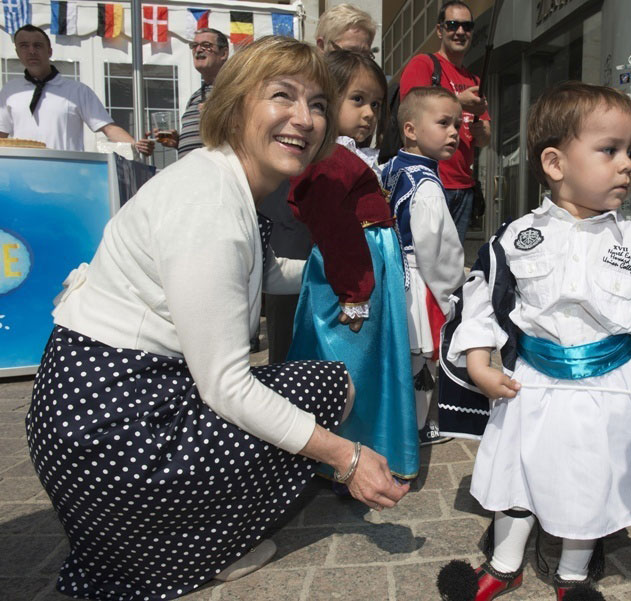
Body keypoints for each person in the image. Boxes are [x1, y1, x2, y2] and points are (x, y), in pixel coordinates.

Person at [24, 37, 408, 600]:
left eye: (319, 104)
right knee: (327, 387)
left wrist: (350, 266)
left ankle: (170, 534)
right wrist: (347, 457)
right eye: (283, 96)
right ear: (234, 106)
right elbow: (227, 386)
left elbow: (262, 269)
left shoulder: (217, 178)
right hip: (112, 440)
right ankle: (195, 550)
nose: (305, 119)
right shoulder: (210, 205)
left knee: (296, 394)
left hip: (87, 424)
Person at [437, 83, 631, 600]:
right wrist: (478, 360)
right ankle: (503, 564)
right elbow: (485, 298)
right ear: (556, 163)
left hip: (606, 387)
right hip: (532, 384)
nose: (627, 165)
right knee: (515, 476)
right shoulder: (517, 237)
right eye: (610, 150)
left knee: (588, 481)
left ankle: (573, 575)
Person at [286, 50, 418, 480]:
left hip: (364, 263)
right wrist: (356, 294)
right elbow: (337, 232)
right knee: (350, 363)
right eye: (356, 100)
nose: (368, 114)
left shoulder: (349, 157)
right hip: (353, 271)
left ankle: (365, 449)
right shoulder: (331, 162)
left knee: (368, 361)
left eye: (376, 104)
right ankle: (345, 455)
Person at [260, 5, 378, 364]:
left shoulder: (360, 106)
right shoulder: (296, 88)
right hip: (295, 228)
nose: (359, 62)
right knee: (291, 330)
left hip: (344, 240)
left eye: (367, 53)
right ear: (323, 45)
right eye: (348, 52)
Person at [381, 87, 467, 445]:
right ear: (411, 129)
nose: (454, 133)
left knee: (402, 353)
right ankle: (416, 428)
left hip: (392, 274)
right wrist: (454, 296)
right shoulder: (428, 185)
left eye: (458, 125)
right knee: (423, 357)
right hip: (419, 279)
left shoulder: (387, 169)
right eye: (444, 123)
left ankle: (398, 420)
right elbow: (440, 253)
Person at [398, 1, 491, 243]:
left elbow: (484, 138)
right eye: (452, 25)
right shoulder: (424, 64)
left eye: (467, 26)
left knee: (450, 264)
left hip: (463, 186)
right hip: (429, 180)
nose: (460, 32)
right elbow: (412, 111)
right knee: (419, 257)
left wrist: (481, 129)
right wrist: (459, 102)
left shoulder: (474, 79)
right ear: (440, 30)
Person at [0, 25, 153, 155]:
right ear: (17, 51)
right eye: (24, 46)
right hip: (23, 173)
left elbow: (108, 127)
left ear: (50, 51)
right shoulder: (11, 90)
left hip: (66, 173)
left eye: (38, 46)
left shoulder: (77, 91)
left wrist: (135, 144)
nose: (31, 51)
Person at [166, 28, 230, 157]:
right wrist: (179, 141)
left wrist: (215, 114)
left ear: (223, 53)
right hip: (190, 170)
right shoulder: (196, 95)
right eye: (194, 46)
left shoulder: (233, 88)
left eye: (206, 46)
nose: (198, 50)